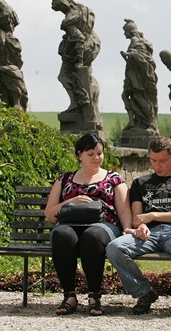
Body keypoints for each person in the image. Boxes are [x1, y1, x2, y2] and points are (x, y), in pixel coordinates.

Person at [106, 136, 171, 316]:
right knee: (114, 247)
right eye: (153, 160)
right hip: (149, 233)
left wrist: (154, 215)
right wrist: (140, 226)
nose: (157, 165)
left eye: (162, 161)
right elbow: (137, 218)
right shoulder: (140, 183)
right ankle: (145, 293)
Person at [44, 133, 132, 316]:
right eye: (90, 154)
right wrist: (71, 201)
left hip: (104, 225)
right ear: (79, 155)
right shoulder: (64, 179)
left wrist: (127, 229)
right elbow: (50, 215)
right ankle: (69, 296)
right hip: (69, 224)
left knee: (92, 236)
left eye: (99, 153)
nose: (96, 158)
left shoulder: (114, 179)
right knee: (61, 235)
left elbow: (123, 210)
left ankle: (94, 296)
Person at [120, 19, 159, 133]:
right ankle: (134, 121)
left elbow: (144, 57)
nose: (124, 34)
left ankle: (150, 123)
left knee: (139, 97)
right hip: (132, 75)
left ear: (131, 32)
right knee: (126, 96)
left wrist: (129, 54)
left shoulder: (136, 41)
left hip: (139, 77)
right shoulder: (135, 41)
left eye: (125, 31)